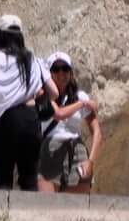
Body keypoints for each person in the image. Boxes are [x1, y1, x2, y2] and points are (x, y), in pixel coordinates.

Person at [0, 13, 51, 191]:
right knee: (30, 178)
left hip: (5, 120)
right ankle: (31, 217)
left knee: (3, 179)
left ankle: (2, 218)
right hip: (30, 120)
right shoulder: (30, 58)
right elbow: (41, 88)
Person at [39, 52, 100, 193]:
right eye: (56, 69)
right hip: (50, 148)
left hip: (76, 150)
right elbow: (59, 114)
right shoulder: (44, 95)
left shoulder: (79, 96)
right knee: (46, 205)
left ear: (70, 72)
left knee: (77, 206)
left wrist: (90, 160)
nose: (61, 73)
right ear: (50, 73)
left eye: (65, 68)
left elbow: (97, 132)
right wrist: (82, 103)